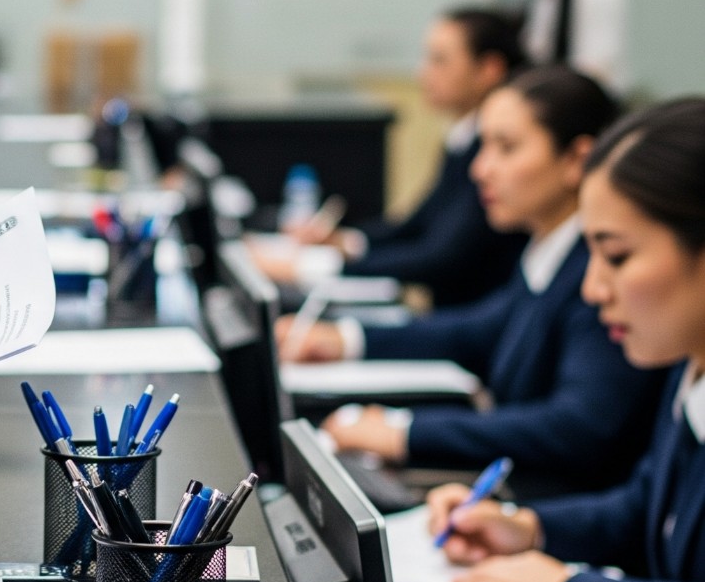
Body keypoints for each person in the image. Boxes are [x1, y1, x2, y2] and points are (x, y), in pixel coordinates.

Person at [427, 99, 705, 582]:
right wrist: (527, 528)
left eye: (619, 256)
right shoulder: (691, 371)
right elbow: (645, 509)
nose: (593, 286)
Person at [278, 68, 665, 491]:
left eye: (507, 148)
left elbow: (578, 424)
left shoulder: (599, 272)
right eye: (483, 148)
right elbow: (479, 330)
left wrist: (405, 432)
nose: (480, 170)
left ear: (576, 159)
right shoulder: (547, 251)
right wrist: (345, 340)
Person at [264, 6, 529, 306]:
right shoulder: (462, 139)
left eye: (440, 61)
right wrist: (343, 242)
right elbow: (415, 226)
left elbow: (441, 256)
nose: (423, 73)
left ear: (489, 70)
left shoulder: (483, 150)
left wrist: (313, 265)